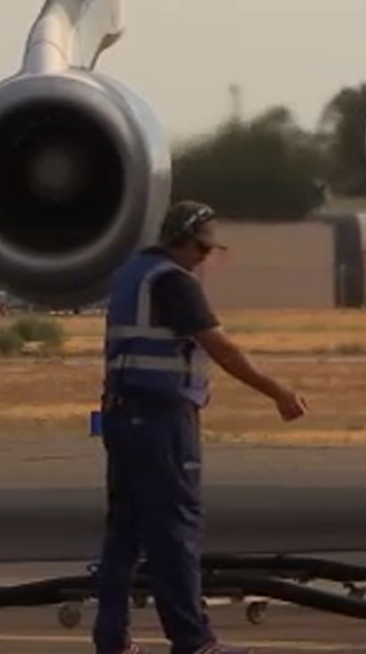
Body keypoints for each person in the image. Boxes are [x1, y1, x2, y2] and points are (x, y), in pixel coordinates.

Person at [90, 201, 308, 654]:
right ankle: (193, 640)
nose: (205, 259)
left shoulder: (132, 274)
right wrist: (279, 393)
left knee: (124, 532)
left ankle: (111, 637)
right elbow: (222, 349)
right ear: (183, 241)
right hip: (160, 418)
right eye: (202, 249)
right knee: (175, 532)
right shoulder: (173, 281)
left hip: (120, 412)